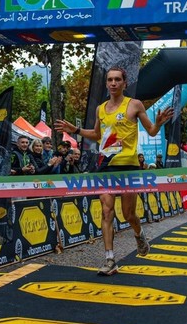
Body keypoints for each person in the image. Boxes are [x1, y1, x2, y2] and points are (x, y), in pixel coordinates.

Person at [54, 66, 174, 276]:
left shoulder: (134, 105)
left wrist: (158, 123)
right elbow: (97, 134)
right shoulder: (101, 109)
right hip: (106, 166)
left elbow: (152, 132)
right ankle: (110, 259)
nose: (113, 83)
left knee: (128, 214)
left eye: (117, 79)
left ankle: (139, 234)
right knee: (107, 211)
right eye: (110, 80)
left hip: (128, 167)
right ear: (107, 83)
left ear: (124, 83)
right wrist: (76, 130)